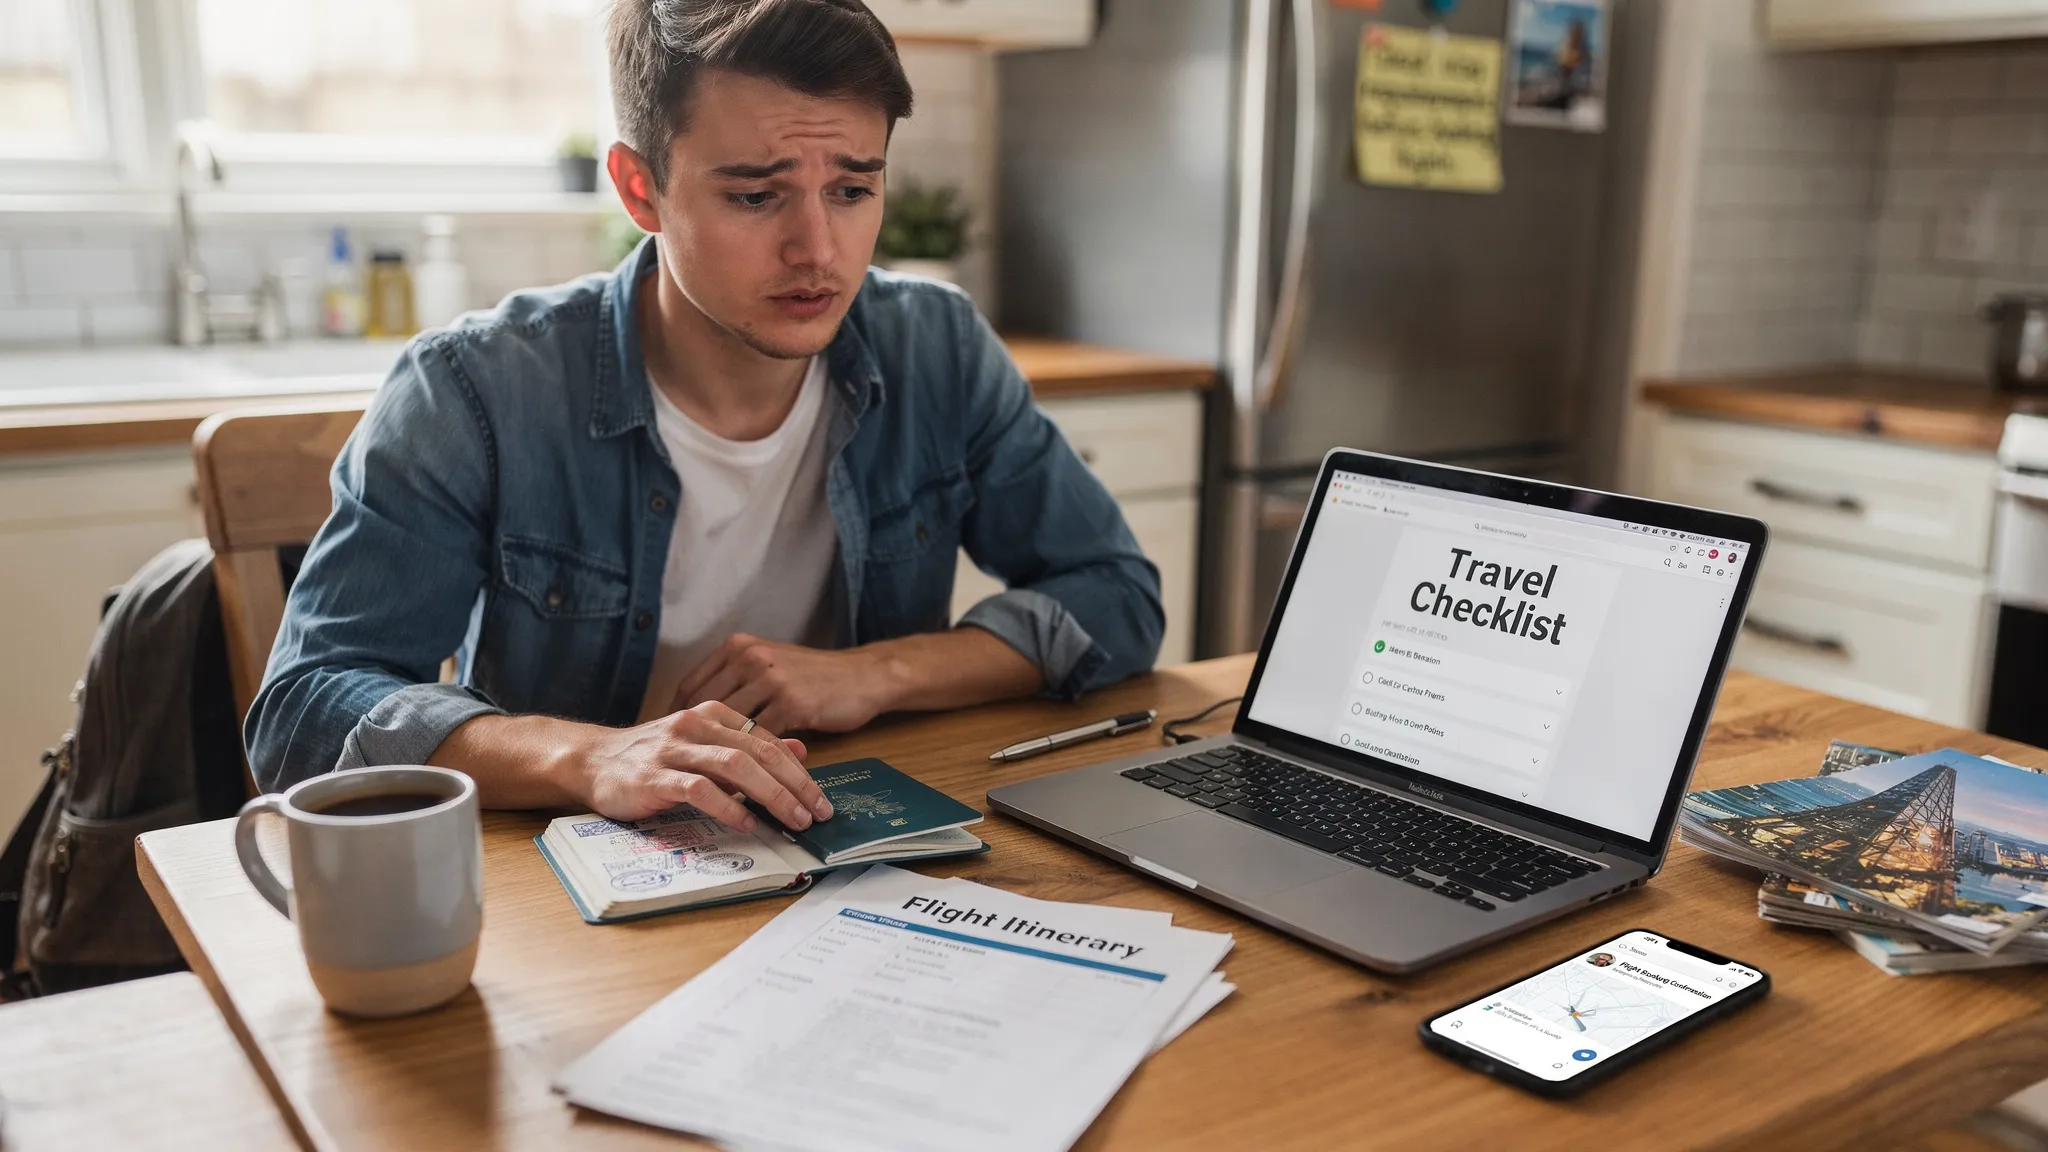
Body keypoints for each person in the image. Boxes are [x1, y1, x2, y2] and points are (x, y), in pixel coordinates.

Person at [246, 0, 1163, 837]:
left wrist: (877, 673)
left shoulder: (938, 348)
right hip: (561, 895)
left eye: (852, 189)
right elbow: (304, 709)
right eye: (755, 195)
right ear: (640, 189)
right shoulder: (473, 391)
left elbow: (1117, 597)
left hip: (835, 848)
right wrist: (594, 756)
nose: (818, 249)